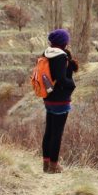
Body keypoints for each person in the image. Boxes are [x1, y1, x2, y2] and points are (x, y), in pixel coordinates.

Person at [42, 28, 78, 174]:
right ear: (64, 43)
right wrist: (72, 84)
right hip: (60, 100)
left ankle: (46, 164)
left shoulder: (46, 53)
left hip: (48, 98)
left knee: (49, 132)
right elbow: (62, 79)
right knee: (57, 133)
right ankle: (53, 166)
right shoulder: (60, 57)